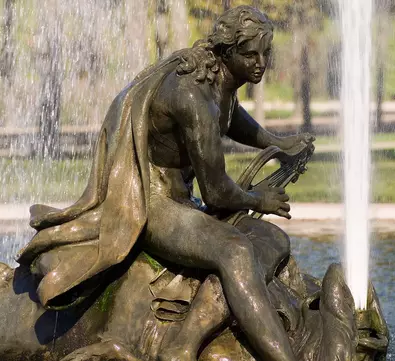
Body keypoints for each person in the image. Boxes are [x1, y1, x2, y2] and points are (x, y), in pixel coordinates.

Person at [17, 6, 314, 361]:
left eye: (266, 53)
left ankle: (187, 339)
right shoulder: (192, 95)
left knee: (274, 239)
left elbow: (230, 115)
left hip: (184, 202)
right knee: (235, 250)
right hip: (155, 206)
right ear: (227, 51)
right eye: (250, 54)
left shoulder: (216, 79)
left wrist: (273, 142)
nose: (260, 63)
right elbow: (216, 191)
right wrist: (257, 199)